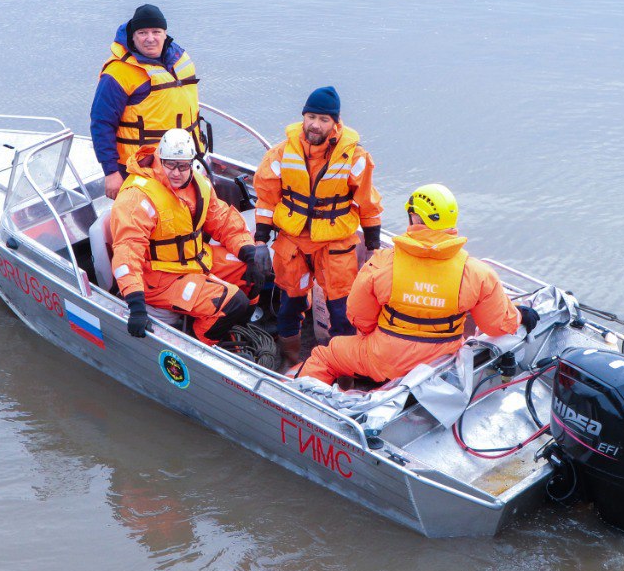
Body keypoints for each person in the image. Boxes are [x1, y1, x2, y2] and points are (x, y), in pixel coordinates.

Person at [298, 184, 540, 385]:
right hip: (442, 362)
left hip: (382, 359)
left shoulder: (383, 264)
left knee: (325, 356)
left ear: (413, 216)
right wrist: (520, 316)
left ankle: (307, 407)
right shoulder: (477, 273)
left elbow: (357, 316)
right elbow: (498, 325)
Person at [252, 86, 384, 365]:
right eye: (311, 116)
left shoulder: (355, 158)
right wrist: (260, 242)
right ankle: (291, 361)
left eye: (323, 119)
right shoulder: (280, 154)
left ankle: (342, 373)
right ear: (303, 117)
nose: (315, 124)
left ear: (335, 123)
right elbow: (266, 200)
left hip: (335, 246)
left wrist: (373, 249)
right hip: (293, 244)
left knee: (342, 313)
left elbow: (368, 205)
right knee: (289, 306)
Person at [110, 129, 273, 345]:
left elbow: (223, 221)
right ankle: (201, 342)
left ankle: (236, 327)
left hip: (196, 260)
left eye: (183, 166)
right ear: (160, 159)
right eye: (169, 164)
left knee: (253, 271)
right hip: (159, 278)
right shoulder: (137, 197)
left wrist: (248, 251)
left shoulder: (199, 185)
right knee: (233, 302)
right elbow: (127, 254)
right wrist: (136, 305)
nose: (176, 173)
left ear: (191, 163)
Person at [91, 4, 203, 200]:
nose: (150, 38)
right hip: (141, 169)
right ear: (132, 36)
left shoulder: (180, 59)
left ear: (165, 34)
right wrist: (111, 173)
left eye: (156, 32)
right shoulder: (117, 74)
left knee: (187, 215)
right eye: (142, 32)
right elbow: (101, 124)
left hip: (182, 161)